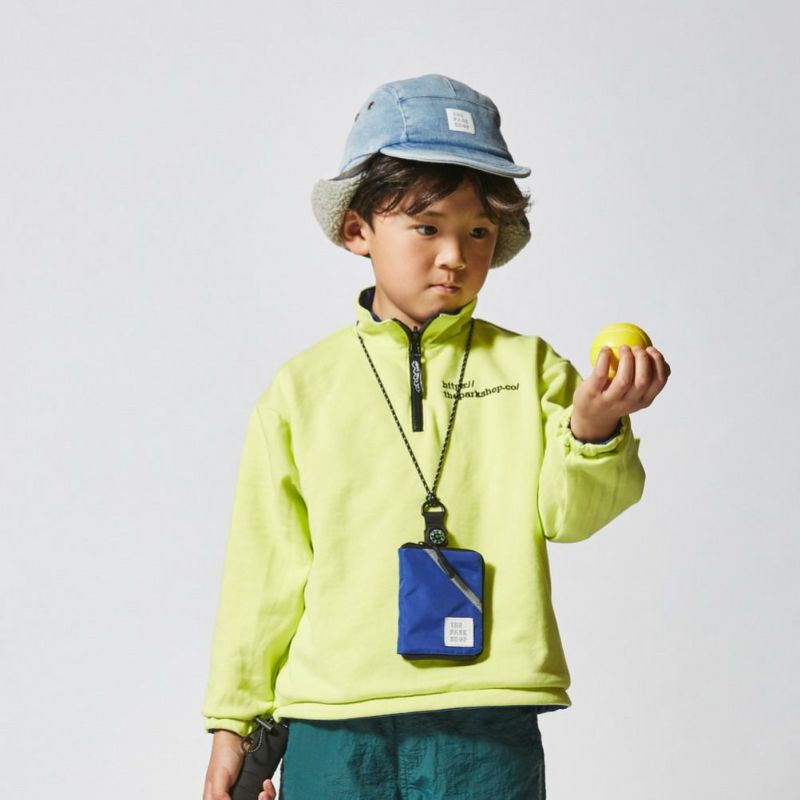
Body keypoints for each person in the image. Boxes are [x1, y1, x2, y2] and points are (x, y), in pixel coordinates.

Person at [201, 73, 671, 800]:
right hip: (333, 720)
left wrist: (594, 427)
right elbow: (263, 568)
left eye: (477, 231)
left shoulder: (532, 368)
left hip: (489, 719)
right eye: (427, 227)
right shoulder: (301, 390)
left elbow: (571, 517)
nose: (455, 255)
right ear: (356, 230)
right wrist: (234, 722)